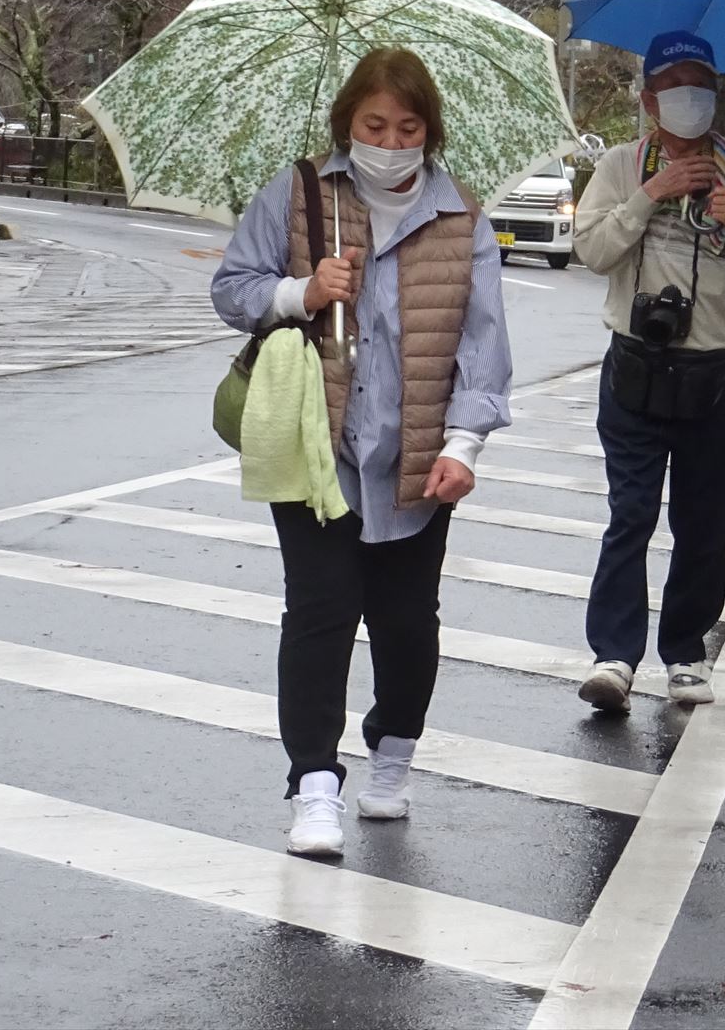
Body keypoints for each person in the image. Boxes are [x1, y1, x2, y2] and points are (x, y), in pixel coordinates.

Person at [212, 46, 513, 860]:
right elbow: (231, 288)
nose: (389, 139)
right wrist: (300, 293)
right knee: (318, 611)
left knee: (407, 622)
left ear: (430, 131)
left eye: (407, 126)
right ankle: (314, 785)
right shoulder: (300, 193)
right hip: (315, 449)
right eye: (374, 124)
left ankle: (394, 751)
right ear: (348, 121)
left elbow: (482, 344)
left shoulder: (462, 217)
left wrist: (465, 444)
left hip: (417, 460)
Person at [572, 32, 725, 710]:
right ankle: (613, 654)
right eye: (674, 87)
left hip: (719, 374)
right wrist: (650, 194)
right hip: (637, 367)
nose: (690, 99)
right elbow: (591, 250)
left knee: (705, 521)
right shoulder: (620, 166)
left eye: (702, 86)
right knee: (631, 514)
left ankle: (685, 653)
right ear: (649, 101)